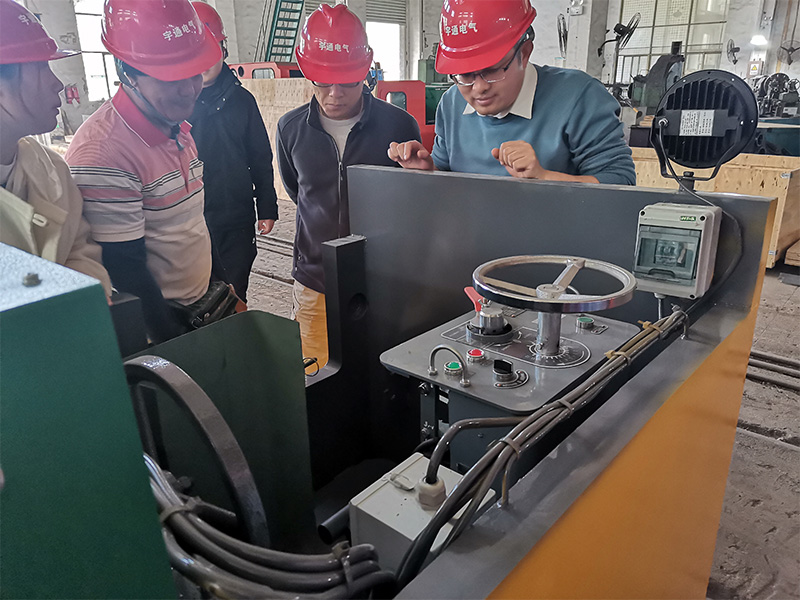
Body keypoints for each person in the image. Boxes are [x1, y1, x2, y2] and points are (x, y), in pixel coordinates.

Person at [66, 0, 223, 343]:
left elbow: (193, 224)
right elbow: (126, 269)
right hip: (161, 330)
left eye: (194, 72)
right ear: (127, 73)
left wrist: (223, 289)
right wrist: (176, 350)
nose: (189, 89)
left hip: (198, 313)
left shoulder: (175, 125)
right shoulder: (104, 153)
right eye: (171, 78)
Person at [277, 3, 420, 370]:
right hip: (315, 281)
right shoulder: (290, 129)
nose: (335, 94)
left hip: (384, 282)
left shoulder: (399, 126)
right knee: (318, 378)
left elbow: (414, 201)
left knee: (384, 373)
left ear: (367, 72)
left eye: (348, 82)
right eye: (324, 82)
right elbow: (298, 191)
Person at [388, 0, 636, 185]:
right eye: (464, 75)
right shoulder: (451, 103)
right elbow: (447, 173)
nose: (479, 87)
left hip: (552, 251)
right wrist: (428, 171)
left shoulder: (579, 98)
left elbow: (620, 183)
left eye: (493, 70)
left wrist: (544, 177)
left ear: (524, 53)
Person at [0, 0, 110, 294]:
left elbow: (77, 248)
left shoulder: (51, 169)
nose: (57, 84)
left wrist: (90, 301)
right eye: (40, 66)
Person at [190, 2, 278, 304]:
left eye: (209, 52)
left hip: (236, 217)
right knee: (196, 298)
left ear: (223, 51)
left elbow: (260, 156)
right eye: (193, 54)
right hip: (190, 220)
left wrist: (267, 206)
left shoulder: (243, 101)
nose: (202, 63)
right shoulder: (174, 105)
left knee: (235, 293)